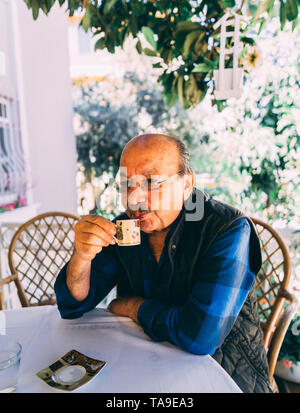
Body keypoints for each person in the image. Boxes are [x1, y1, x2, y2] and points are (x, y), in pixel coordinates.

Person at [54, 133, 272, 393]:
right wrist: (82, 256)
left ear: (187, 185)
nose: (134, 198)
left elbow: (201, 336)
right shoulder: (127, 227)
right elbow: (72, 305)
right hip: (147, 369)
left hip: (223, 376)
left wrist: (133, 306)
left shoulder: (225, 228)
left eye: (151, 181)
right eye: (126, 183)